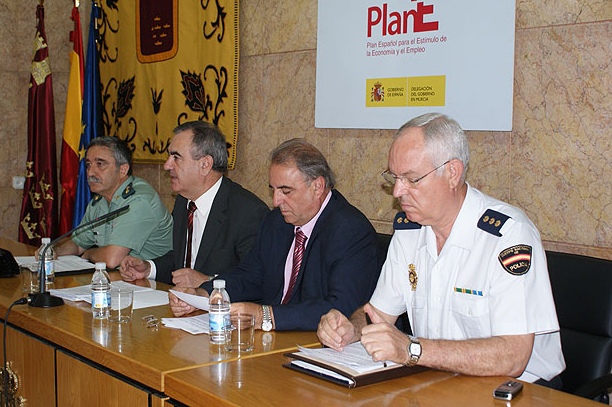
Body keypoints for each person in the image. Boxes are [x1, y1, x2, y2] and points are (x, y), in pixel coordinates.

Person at [317, 113, 565, 385]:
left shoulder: (508, 236)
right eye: (394, 177)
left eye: (412, 179)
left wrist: (412, 350)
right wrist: (350, 329)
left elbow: (513, 357)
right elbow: (377, 315)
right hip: (439, 381)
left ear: (452, 173)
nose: (398, 191)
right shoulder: (410, 232)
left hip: (516, 391)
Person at [169, 139, 383, 331]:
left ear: (317, 186)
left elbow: (341, 307)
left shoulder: (350, 230)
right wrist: (204, 294)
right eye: (273, 190)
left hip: (320, 346)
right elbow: (250, 275)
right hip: (273, 342)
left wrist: (266, 316)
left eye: (286, 191)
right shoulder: (277, 221)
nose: (276, 201)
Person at [119, 121, 269, 286]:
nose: (167, 165)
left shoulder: (248, 212)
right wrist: (149, 268)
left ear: (205, 165)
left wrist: (208, 281)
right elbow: (184, 262)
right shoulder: (184, 201)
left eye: (176, 158)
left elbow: (257, 280)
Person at [43, 136, 173, 269]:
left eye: (100, 164)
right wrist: (53, 251)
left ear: (123, 169)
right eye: (88, 165)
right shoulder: (99, 201)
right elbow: (77, 244)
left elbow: (112, 259)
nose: (91, 172)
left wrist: (89, 253)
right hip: (119, 280)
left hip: (153, 283)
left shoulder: (138, 201)